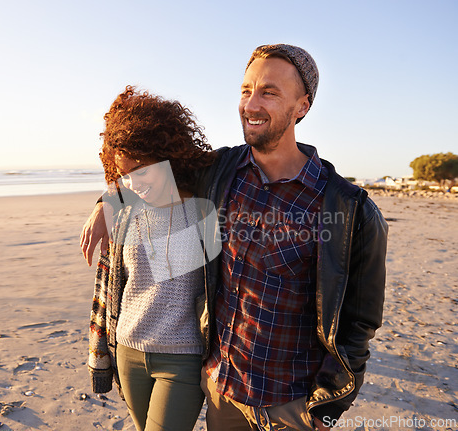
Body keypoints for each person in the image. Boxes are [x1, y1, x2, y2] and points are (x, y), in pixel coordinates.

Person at [81, 44, 388, 431]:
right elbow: (148, 167)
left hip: (292, 404)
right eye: (246, 90)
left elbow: (360, 323)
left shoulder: (348, 207)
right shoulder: (220, 172)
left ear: (302, 106)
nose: (252, 104)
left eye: (269, 92)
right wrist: (107, 200)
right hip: (223, 393)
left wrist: (326, 408)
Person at [87, 86, 217, 431]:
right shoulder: (126, 209)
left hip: (182, 358)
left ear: (168, 154)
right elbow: (117, 286)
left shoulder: (207, 206)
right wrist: (107, 200)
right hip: (127, 351)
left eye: (141, 170)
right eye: (124, 174)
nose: (133, 182)